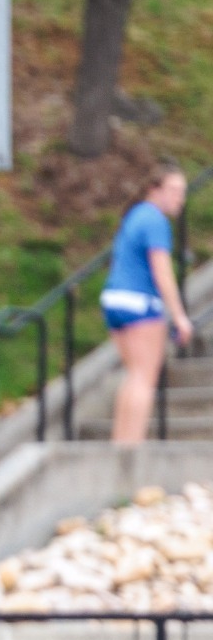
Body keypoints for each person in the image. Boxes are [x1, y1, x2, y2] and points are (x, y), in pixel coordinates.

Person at [104, 161, 194, 443]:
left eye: (183, 191)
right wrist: (179, 315)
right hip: (140, 302)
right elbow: (162, 271)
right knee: (145, 378)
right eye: (174, 190)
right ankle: (133, 449)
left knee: (133, 376)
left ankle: (121, 445)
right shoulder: (156, 220)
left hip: (114, 299)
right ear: (155, 189)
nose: (180, 198)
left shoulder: (135, 215)